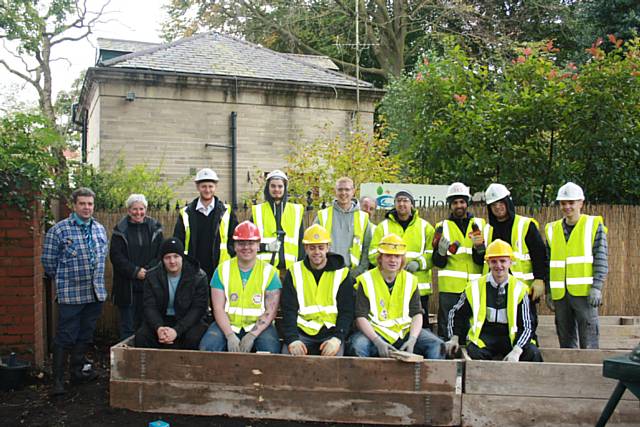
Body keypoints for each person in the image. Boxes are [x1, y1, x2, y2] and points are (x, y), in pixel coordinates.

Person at [42, 187, 108, 396]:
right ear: (74, 205)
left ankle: (77, 373)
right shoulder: (59, 230)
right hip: (71, 295)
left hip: (94, 293)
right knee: (65, 337)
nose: (87, 208)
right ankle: (58, 381)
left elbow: (102, 258)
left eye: (90, 204)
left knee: (85, 335)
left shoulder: (99, 229)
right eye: (82, 203)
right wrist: (65, 281)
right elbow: (49, 262)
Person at [349, 234, 445, 359]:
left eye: (397, 256)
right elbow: (360, 317)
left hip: (404, 331)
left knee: (437, 345)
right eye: (388, 255)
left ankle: (430, 378)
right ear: (380, 258)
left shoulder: (411, 280)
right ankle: (367, 378)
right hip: (376, 332)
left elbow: (417, 314)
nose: (393, 260)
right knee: (358, 345)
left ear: (402, 259)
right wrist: (377, 341)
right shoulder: (366, 280)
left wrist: (413, 339)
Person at [445, 239, 542, 362]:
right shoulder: (474, 287)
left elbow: (527, 326)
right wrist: (454, 338)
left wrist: (517, 350)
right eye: (494, 261)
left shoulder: (520, 289)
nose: (498, 266)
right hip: (485, 336)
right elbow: (456, 313)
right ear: (488, 263)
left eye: (503, 261)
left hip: (511, 337)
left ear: (510, 262)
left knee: (533, 353)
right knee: (473, 353)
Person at [199, 221, 282, 353]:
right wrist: (229, 335)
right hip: (227, 325)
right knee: (207, 348)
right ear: (235, 246)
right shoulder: (221, 270)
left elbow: (270, 310)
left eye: (251, 243)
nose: (246, 247)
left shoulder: (269, 272)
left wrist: (252, 335)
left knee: (270, 352)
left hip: (260, 327)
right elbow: (218, 308)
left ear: (258, 245)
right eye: (241, 243)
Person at [545, 182, 608, 349]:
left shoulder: (593, 225)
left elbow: (601, 258)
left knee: (589, 338)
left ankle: (589, 371)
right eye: (563, 203)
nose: (567, 207)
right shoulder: (552, 229)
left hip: (584, 293)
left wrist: (597, 286)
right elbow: (548, 262)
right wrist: (549, 291)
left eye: (571, 203)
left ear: (581, 202)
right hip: (561, 294)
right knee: (565, 338)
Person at [483, 183, 547, 343]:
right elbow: (481, 260)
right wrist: (478, 248)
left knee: (527, 326)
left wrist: (540, 279)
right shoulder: (487, 230)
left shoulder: (525, 225)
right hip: (495, 289)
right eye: (493, 205)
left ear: (508, 202)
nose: (498, 207)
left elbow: (539, 254)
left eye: (500, 203)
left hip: (522, 289)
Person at [280, 224, 355, 356]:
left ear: (328, 247)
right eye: (312, 248)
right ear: (305, 248)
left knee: (336, 366)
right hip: (301, 333)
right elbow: (288, 310)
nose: (317, 252)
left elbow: (347, 311)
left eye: (321, 247)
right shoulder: (294, 272)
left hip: (331, 334)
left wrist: (337, 339)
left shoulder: (342, 273)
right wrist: (292, 339)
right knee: (287, 361)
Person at [369, 190, 435, 328]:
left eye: (405, 200)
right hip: (390, 285)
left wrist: (418, 263)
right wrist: (389, 265)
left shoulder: (425, 227)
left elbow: (432, 254)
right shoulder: (383, 226)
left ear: (412, 204)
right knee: (393, 325)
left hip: (418, 287)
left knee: (421, 327)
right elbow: (373, 253)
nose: (401, 204)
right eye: (398, 201)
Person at [134, 237, 209, 349]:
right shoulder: (152, 276)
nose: (172, 261)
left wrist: (177, 331)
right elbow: (149, 306)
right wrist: (159, 328)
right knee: (141, 336)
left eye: (176, 256)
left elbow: (198, 309)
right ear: (162, 259)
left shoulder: (198, 276)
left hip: (187, 320)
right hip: (162, 319)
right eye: (167, 257)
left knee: (193, 338)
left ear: (182, 257)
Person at [432, 182, 486, 338]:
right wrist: (441, 253)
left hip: (474, 287)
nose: (459, 205)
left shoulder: (480, 225)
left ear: (467, 203)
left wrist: (480, 249)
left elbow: (482, 260)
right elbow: (438, 263)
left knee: (472, 329)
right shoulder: (442, 227)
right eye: (455, 202)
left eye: (462, 202)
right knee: (448, 330)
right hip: (450, 289)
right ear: (450, 205)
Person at [110, 194, 163, 341]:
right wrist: (135, 271)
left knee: (147, 326)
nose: (138, 212)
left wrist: (148, 271)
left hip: (150, 284)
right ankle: (126, 360)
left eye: (141, 209)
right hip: (127, 287)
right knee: (128, 327)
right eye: (134, 209)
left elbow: (161, 254)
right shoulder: (119, 230)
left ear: (146, 209)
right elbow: (116, 257)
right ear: (128, 210)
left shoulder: (155, 228)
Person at [174, 168, 238, 281]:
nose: (207, 190)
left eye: (210, 186)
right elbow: (179, 240)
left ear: (215, 187)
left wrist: (230, 253)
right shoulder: (186, 213)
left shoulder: (226, 211)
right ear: (197, 187)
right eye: (203, 186)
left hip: (221, 268)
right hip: (193, 269)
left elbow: (234, 238)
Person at [315, 177, 371, 277]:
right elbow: (313, 244)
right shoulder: (322, 215)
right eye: (340, 189)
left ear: (353, 191)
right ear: (335, 191)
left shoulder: (363, 217)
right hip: (326, 271)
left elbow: (367, 248)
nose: (343, 193)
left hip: (353, 273)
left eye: (347, 189)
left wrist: (359, 270)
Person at [251, 169, 304, 275]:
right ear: (268, 188)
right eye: (273, 186)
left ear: (285, 188)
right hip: (264, 269)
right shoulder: (258, 211)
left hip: (290, 270)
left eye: (280, 186)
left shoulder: (296, 211)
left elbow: (301, 242)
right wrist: (265, 247)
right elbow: (250, 242)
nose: (276, 189)